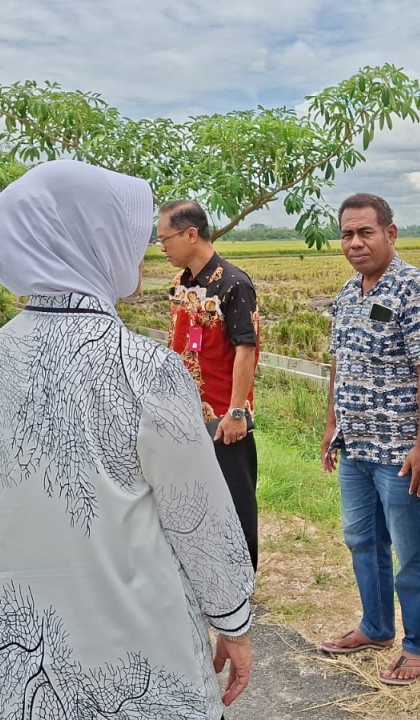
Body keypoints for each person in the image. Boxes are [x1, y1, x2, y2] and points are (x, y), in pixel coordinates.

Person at [0, 160, 255, 720]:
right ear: (84, 245)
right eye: (125, 237)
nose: (139, 252)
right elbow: (196, 514)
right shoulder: (143, 367)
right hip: (133, 633)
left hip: (25, 643)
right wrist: (232, 619)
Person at [318, 193, 420, 686]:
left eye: (365, 232)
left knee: (411, 549)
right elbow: (339, 362)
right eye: (347, 234)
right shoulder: (348, 294)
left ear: (390, 233)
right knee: (362, 540)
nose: (355, 242)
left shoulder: (416, 289)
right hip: (355, 447)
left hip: (399, 452)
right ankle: (375, 627)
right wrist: (332, 426)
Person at [159, 200, 261, 570]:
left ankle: (241, 576)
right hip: (186, 412)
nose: (162, 247)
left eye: (166, 238)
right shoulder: (180, 283)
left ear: (191, 234)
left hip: (223, 416)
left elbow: (246, 350)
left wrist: (235, 412)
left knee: (235, 498)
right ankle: (206, 567)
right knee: (194, 495)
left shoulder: (233, 283)